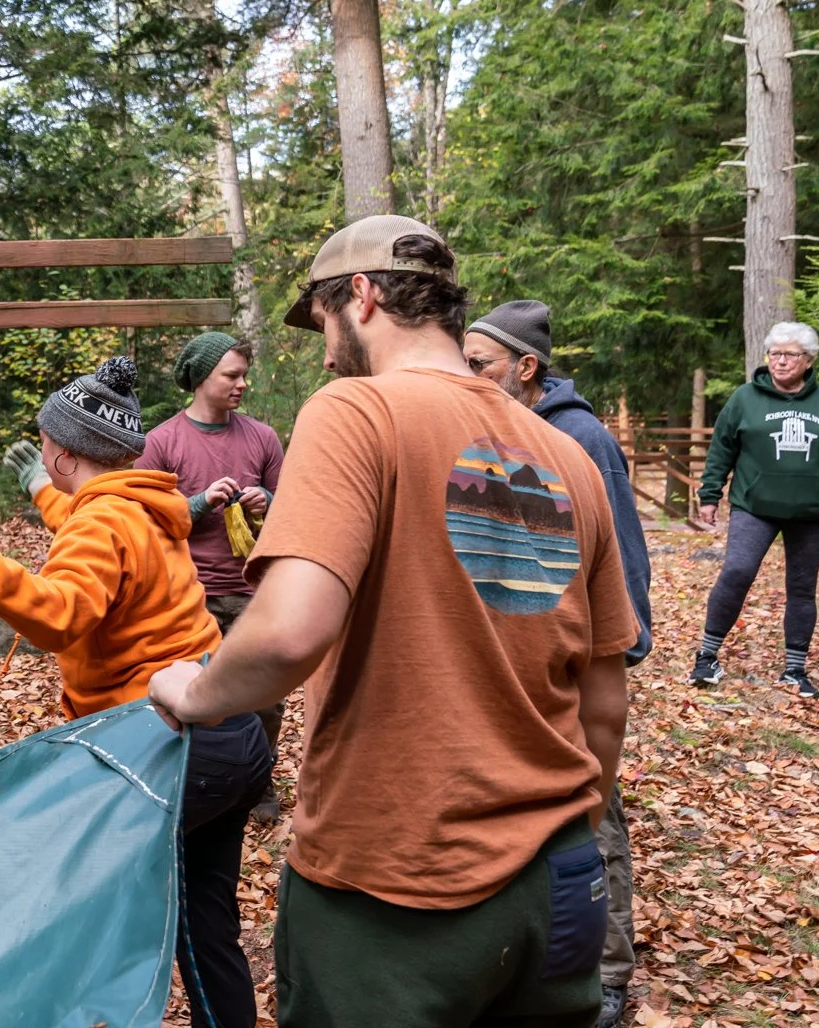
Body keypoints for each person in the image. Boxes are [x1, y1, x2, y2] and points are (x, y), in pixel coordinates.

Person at [147, 216, 637, 1028]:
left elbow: (288, 632)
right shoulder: (567, 458)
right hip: (558, 885)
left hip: (395, 888)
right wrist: (566, 832)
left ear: (362, 296)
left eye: (323, 323)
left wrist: (193, 692)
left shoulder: (355, 412)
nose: (325, 355)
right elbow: (605, 703)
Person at [0, 357, 274, 1028]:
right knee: (203, 924)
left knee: (69, 896)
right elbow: (85, 523)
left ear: (65, 453)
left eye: (47, 447)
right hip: (230, 734)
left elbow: (60, 612)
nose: (44, 456)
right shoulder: (143, 506)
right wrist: (41, 490)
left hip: (171, 747)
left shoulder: (101, 523)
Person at [465, 299, 654, 1028]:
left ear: (526, 366)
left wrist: (616, 650)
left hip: (577, 662)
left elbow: (621, 557)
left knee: (591, 814)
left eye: (480, 365)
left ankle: (606, 971)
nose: (468, 376)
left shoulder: (580, 438)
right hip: (519, 658)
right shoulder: (493, 429)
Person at [141, 332, 285, 821]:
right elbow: (143, 521)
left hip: (252, 591)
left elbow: (294, 506)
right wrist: (198, 504)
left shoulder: (262, 438)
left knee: (264, 697)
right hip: (187, 593)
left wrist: (268, 500)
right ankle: (188, 781)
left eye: (244, 375)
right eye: (231, 375)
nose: (242, 384)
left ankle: (258, 785)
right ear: (202, 376)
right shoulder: (162, 442)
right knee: (188, 695)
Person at [690, 321, 819, 699]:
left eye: (790, 355)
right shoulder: (745, 398)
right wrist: (709, 495)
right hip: (754, 507)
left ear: (808, 360)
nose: (780, 361)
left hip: (811, 512)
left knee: (802, 588)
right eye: (775, 354)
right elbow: (721, 449)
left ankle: (795, 669)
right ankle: (707, 656)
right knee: (737, 571)